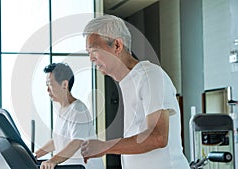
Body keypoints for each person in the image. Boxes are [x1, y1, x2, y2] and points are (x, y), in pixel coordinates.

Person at [80, 15, 190, 169]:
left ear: (117, 45)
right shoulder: (129, 82)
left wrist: (104, 147)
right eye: (88, 53)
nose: (91, 58)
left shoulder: (149, 75)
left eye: (94, 50)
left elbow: (158, 137)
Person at [35, 63, 104, 169]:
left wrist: (52, 161)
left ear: (64, 84)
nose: (47, 90)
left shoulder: (78, 109)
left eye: (50, 84)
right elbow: (56, 141)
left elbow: (76, 142)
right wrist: (35, 155)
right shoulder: (63, 110)